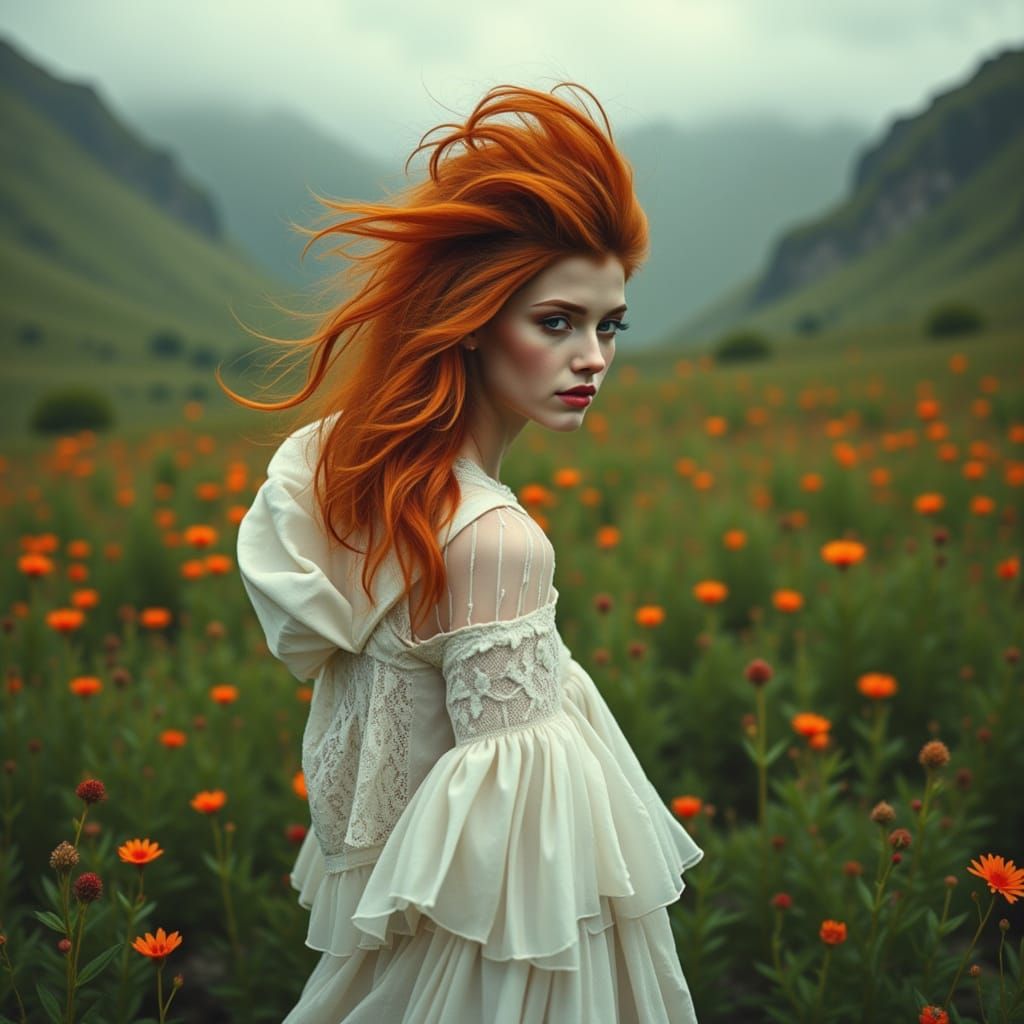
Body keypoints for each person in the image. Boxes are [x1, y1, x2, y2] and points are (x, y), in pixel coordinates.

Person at [228, 81, 704, 1023]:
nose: (593, 357)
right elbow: (519, 872)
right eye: (556, 322)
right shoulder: (494, 540)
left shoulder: (370, 485)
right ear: (475, 321)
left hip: (401, 948)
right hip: (483, 970)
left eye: (609, 325)